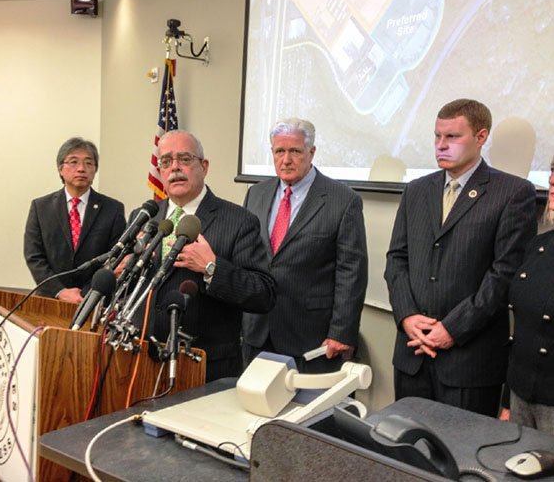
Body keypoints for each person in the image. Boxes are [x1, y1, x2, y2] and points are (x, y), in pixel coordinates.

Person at [384, 98, 537, 417]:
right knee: (405, 452)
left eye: (452, 137)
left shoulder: (512, 193)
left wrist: (452, 329)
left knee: (459, 459)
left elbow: (504, 274)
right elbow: (397, 258)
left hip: (468, 362)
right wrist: (407, 316)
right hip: (413, 354)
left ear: (481, 137)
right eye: (437, 136)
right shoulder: (416, 190)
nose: (441, 145)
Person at [137, 129, 276, 382]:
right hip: (144, 362)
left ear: (204, 166)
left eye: (185, 159)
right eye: (166, 161)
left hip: (206, 366)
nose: (175, 168)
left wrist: (212, 267)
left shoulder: (239, 221)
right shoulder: (145, 217)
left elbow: (262, 294)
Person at [242, 118, 368, 373]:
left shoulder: (343, 200)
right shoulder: (256, 194)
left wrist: (342, 332)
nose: (286, 159)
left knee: (307, 412)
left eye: (295, 151)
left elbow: (351, 272)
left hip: (311, 338)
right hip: (258, 332)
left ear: (311, 152)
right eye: (279, 151)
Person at [24, 137, 126, 302]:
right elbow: (34, 256)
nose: (81, 169)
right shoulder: (40, 207)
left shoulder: (113, 209)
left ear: (95, 169)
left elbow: (115, 258)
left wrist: (86, 294)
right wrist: (60, 291)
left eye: (88, 163)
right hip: (50, 298)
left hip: (94, 300)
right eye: (73, 162)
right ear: (60, 169)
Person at [505, 155, 554, 433]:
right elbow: (521, 332)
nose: (552, 180)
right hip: (520, 395)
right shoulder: (539, 245)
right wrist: (507, 402)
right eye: (552, 171)